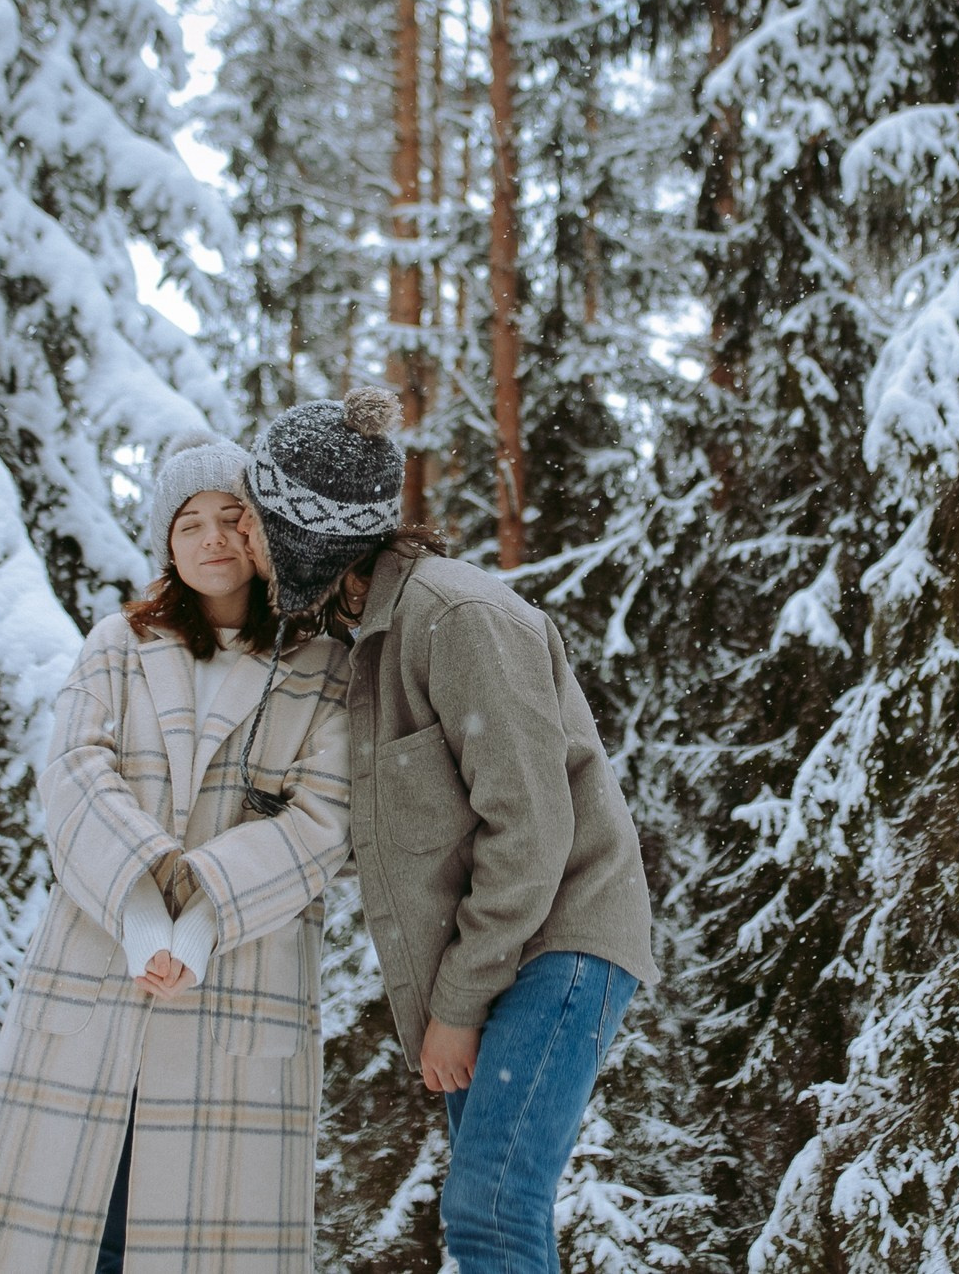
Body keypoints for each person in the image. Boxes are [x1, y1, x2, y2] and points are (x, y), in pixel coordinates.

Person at [233, 388, 659, 1274]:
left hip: (561, 939)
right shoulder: (365, 642)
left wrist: (456, 1009)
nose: (248, 545)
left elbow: (532, 832)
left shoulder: (458, 618)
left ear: (310, 538)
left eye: (260, 522)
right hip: (502, 951)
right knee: (491, 1210)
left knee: (491, 1209)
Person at [0, 433, 352, 1274]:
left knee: (191, 1242)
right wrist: (145, 908)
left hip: (240, 979)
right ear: (166, 543)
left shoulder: (324, 666)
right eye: (190, 522)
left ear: (266, 536)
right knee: (73, 1235)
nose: (214, 537)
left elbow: (321, 820)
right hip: (96, 967)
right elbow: (75, 773)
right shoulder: (118, 641)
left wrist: (201, 920)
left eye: (235, 517)